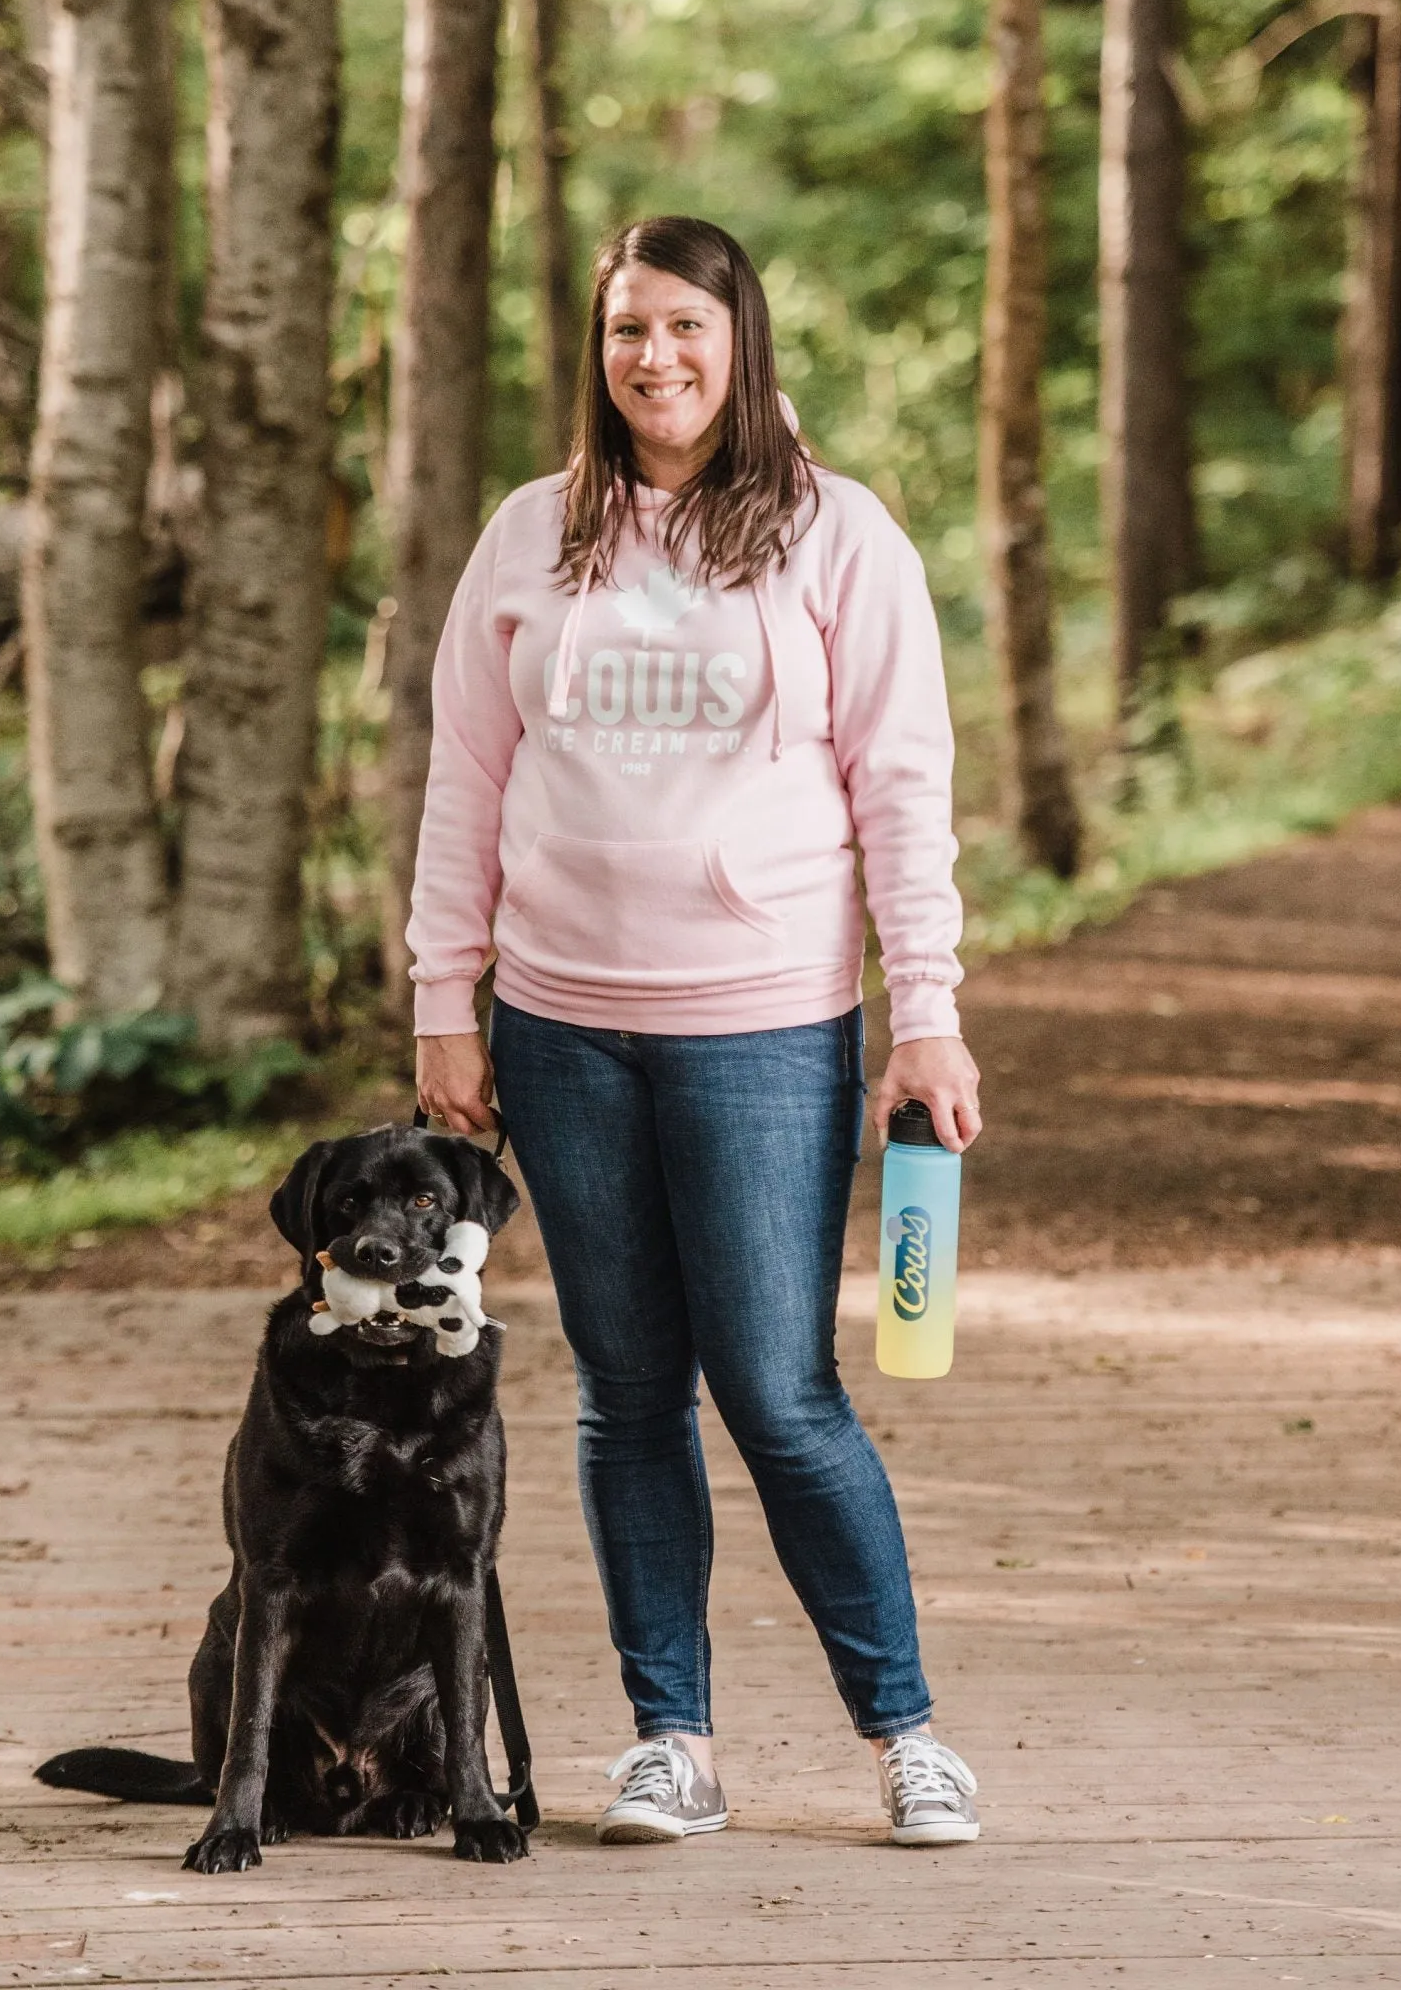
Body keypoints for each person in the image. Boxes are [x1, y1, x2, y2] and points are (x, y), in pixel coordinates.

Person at [408, 215, 984, 1848]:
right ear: (595, 353)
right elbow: (467, 779)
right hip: (557, 1027)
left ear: (742, 338)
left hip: (763, 1028)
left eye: (683, 328)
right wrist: (444, 998)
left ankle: (905, 1733)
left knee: (781, 1392)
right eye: (624, 332)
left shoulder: (839, 536)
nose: (652, 360)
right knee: (625, 1390)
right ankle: (674, 1739)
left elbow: (904, 790)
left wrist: (925, 1020)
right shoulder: (532, 535)